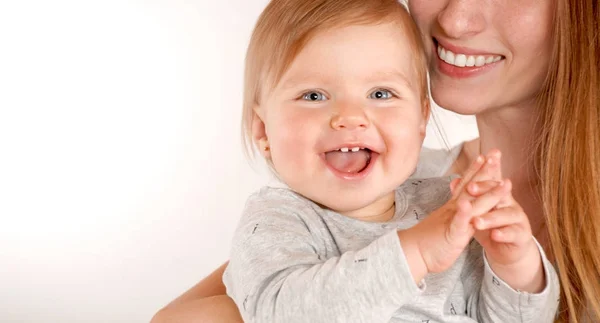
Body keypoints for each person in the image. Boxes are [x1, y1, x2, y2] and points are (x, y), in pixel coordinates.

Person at [151, 0, 600, 321]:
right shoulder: (308, 214)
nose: (457, 20)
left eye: (380, 94)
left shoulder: (437, 204)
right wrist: (419, 248)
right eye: (313, 96)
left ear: (422, 116)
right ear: (262, 129)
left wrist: (517, 272)